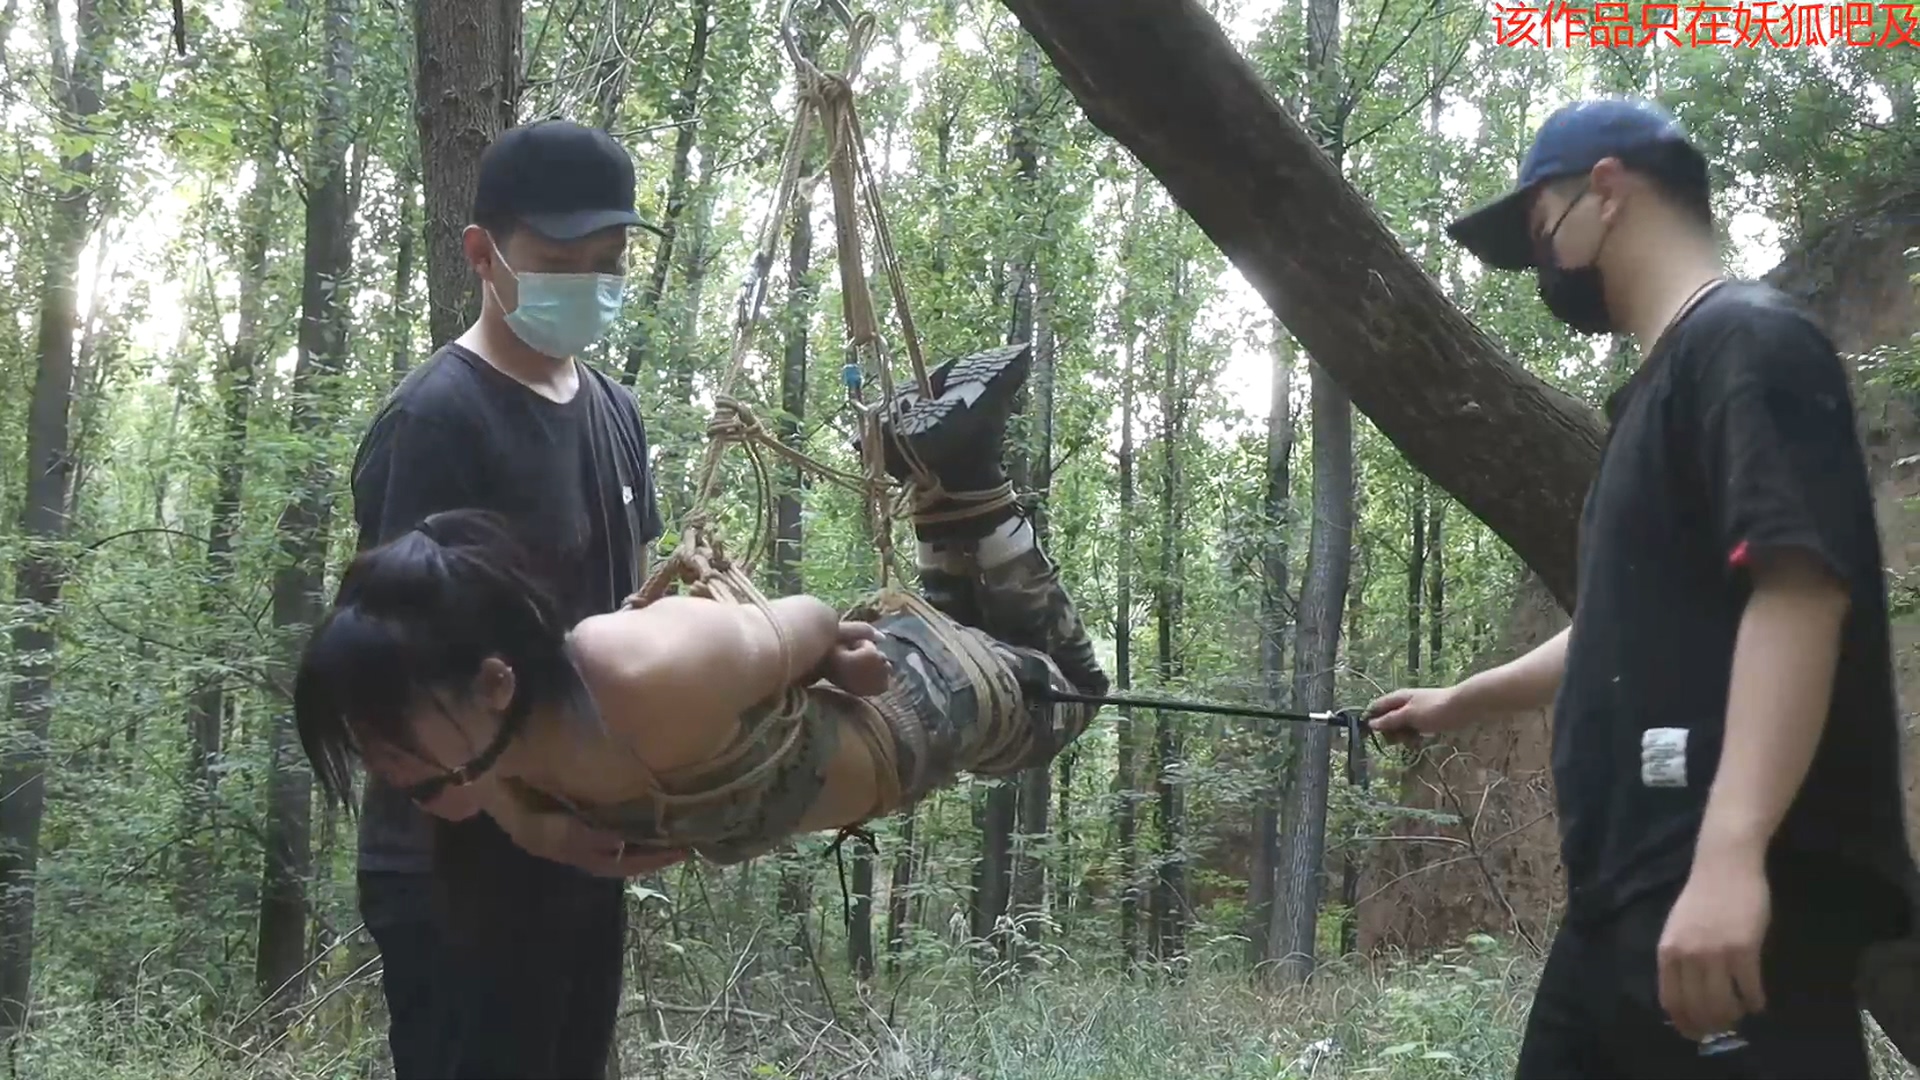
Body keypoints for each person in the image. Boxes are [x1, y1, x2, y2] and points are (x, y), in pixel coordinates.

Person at [1364, 97, 1917, 1077]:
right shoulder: (1658, 395)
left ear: (1607, 192)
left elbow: (1800, 590)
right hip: (1625, 905)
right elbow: (1617, 626)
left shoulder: (1748, 342)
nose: (1542, 265)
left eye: (1542, 230)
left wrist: (1731, 856)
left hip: (1731, 906)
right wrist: (1459, 701)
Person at [299, 340, 1108, 889]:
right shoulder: (498, 744)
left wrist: (824, 650)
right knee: (980, 626)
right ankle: (955, 465)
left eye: (392, 736)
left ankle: (968, 469)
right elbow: (482, 774)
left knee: (1073, 688)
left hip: (911, 707)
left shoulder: (636, 671)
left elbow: (809, 617)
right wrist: (534, 828)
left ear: (494, 682)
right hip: (895, 724)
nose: (384, 764)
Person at [347, 118, 680, 1080]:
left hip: (585, 847)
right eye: (560, 262)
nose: (589, 284)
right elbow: (386, 685)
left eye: (608, 263)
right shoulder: (435, 421)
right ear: (482, 254)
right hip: (458, 867)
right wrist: (514, 809)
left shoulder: (617, 413)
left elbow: (631, 617)